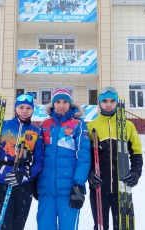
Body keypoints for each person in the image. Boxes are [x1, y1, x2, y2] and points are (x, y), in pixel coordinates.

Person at [0, 94, 43, 230]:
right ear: (15, 108)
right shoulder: (2, 127)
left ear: (33, 110)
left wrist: (25, 175)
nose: (25, 110)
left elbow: (39, 162)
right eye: (21, 107)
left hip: (23, 186)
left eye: (28, 108)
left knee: (18, 226)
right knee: (0, 226)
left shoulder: (35, 132)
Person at [86, 87, 143, 230]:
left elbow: (136, 153)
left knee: (123, 225)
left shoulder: (128, 126)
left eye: (112, 101)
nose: (108, 104)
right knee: (100, 226)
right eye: (105, 101)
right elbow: (84, 157)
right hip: (99, 186)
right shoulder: (91, 126)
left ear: (117, 102)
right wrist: (89, 174)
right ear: (99, 103)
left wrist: (135, 173)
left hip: (121, 186)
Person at [36, 87, 91, 230]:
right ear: (52, 104)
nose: (61, 105)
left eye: (65, 102)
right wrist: (35, 181)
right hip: (46, 189)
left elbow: (83, 156)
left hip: (69, 189)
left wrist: (79, 184)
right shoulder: (45, 124)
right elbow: (38, 155)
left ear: (70, 104)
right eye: (58, 102)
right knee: (44, 227)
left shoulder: (78, 124)